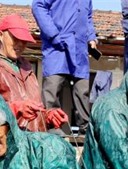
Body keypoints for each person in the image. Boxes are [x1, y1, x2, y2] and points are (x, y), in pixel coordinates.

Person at [0, 14, 68, 133]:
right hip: (6, 145)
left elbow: (34, 113)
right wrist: (15, 109)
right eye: (15, 38)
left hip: (31, 143)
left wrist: (48, 116)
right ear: (1, 35)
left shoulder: (27, 69)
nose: (20, 44)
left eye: (24, 40)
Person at [32, 0, 98, 135]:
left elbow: (88, 17)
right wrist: (53, 34)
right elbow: (38, 6)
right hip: (57, 47)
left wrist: (91, 37)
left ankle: (85, 130)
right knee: (52, 86)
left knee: (82, 90)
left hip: (79, 48)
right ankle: (52, 127)